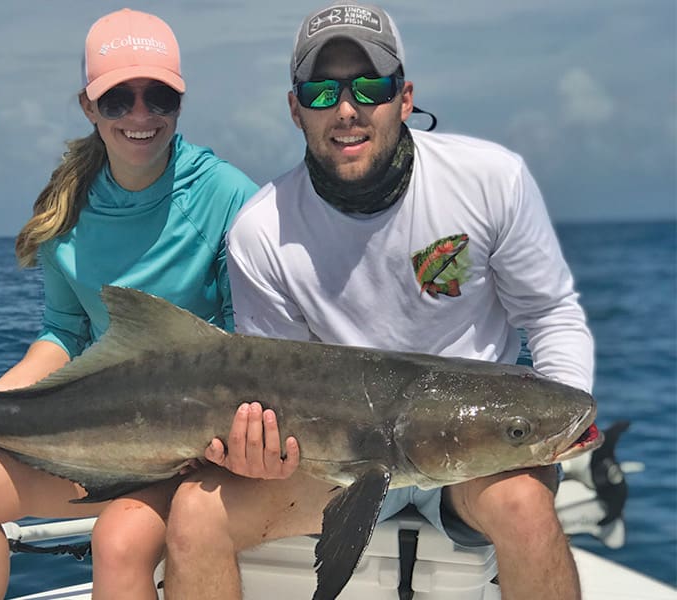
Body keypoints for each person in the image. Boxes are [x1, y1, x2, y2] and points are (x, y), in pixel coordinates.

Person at [162, 3, 595, 600]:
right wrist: (256, 453)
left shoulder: (492, 181)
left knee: (525, 505)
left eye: (371, 87)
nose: (347, 109)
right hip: (328, 463)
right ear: (296, 108)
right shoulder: (263, 230)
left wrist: (556, 417)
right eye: (321, 92)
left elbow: (550, 313)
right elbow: (272, 388)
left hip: (470, 456)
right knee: (194, 513)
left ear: (405, 97)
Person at [0, 8, 258, 600]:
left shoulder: (229, 197)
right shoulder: (65, 212)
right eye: (118, 101)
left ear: (179, 103)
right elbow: (62, 333)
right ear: (88, 106)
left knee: (120, 542)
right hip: (97, 436)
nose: (140, 116)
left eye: (158, 97)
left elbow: (252, 341)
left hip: (192, 448)